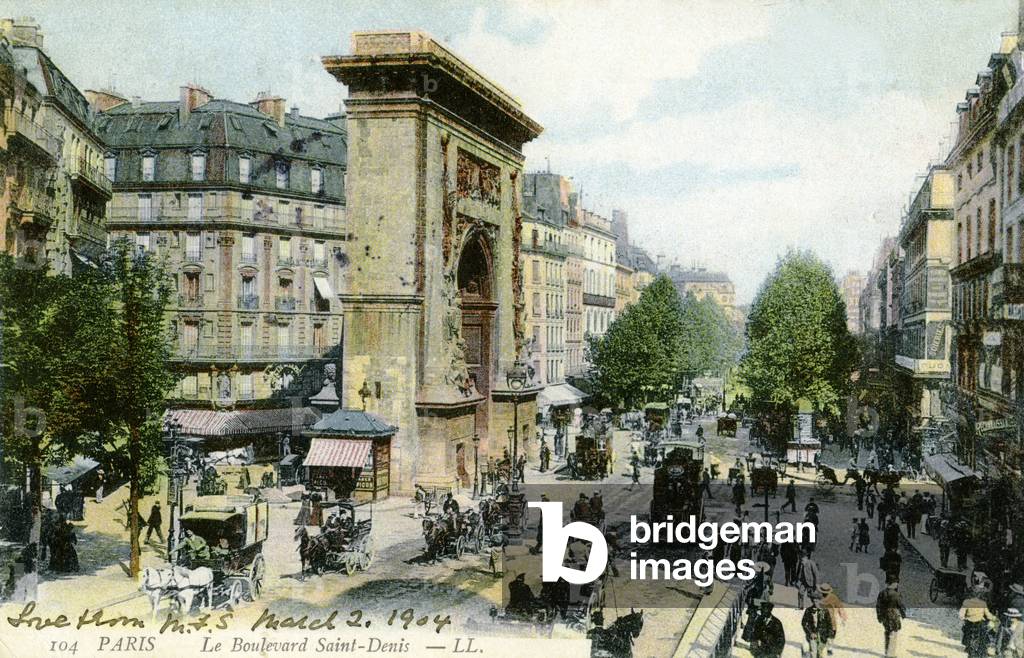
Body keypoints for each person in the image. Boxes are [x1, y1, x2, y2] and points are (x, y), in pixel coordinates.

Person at [960, 591, 997, 658]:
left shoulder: (966, 602)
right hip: (979, 623)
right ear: (980, 595)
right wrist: (994, 618)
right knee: (984, 636)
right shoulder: (983, 603)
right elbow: (988, 615)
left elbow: (961, 613)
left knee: (965, 631)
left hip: (969, 623)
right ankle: (981, 652)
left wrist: (964, 618)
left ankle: (967, 646)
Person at [876, 581, 907, 657]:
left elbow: (878, 606)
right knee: (894, 634)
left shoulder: (882, 593)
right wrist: (903, 614)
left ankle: (887, 652)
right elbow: (900, 606)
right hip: (894, 617)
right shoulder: (896, 594)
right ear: (894, 584)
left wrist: (879, 616)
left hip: (885, 616)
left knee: (887, 632)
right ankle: (891, 653)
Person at [801, 590, 835, 658]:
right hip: (812, 636)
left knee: (819, 652)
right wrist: (810, 632)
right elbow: (804, 623)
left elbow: (829, 624)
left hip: (823, 637)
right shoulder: (809, 610)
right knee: (814, 652)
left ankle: (808, 655)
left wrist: (829, 637)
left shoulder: (825, 610)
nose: (815, 602)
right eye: (814, 601)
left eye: (817, 601)